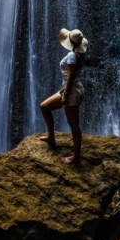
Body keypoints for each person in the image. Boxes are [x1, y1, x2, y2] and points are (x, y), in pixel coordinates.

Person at [39, 27, 89, 165]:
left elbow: (71, 75)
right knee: (44, 106)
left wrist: (66, 94)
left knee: (73, 124)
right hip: (69, 88)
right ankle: (51, 137)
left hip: (71, 90)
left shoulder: (72, 56)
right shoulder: (78, 54)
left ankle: (76, 157)